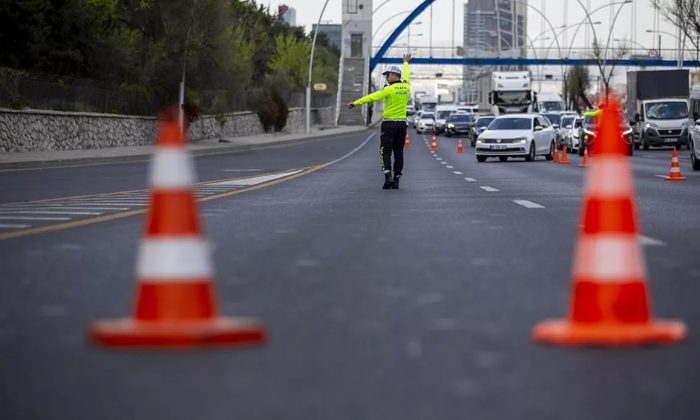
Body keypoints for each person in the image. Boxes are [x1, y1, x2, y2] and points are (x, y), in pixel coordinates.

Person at [347, 54, 412, 189]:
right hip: (401, 124)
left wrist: (355, 103)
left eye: (387, 75)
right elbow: (406, 75)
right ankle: (397, 179)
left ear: (394, 75)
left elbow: (372, 97)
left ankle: (388, 177)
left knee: (385, 151)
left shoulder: (388, 89)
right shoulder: (406, 87)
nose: (386, 78)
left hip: (389, 124)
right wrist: (406, 63)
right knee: (399, 153)